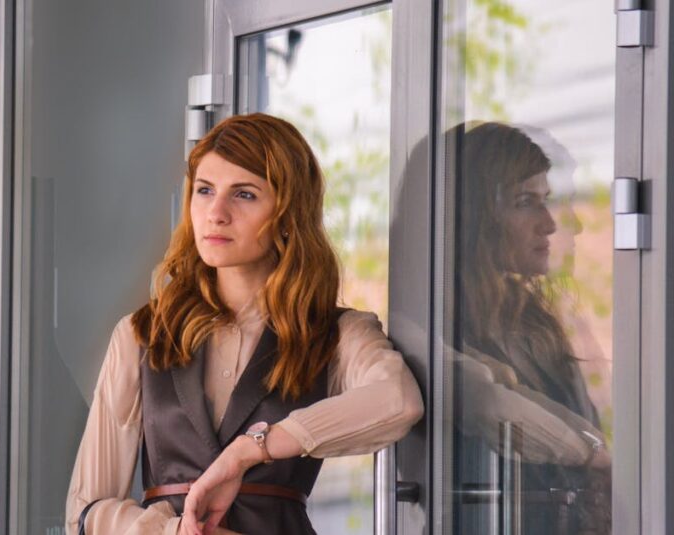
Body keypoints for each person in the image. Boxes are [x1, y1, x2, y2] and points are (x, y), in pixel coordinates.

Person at [64, 113, 424, 535]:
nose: (216, 213)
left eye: (245, 195)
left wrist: (251, 450)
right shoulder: (141, 334)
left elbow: (399, 402)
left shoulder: (338, 332)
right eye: (204, 191)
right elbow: (84, 512)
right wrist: (169, 532)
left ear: (289, 214)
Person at [449, 121, 611, 534]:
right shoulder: (446, 330)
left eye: (546, 200)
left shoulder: (535, 325)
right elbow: (492, 403)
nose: (550, 223)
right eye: (525, 202)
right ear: (479, 217)